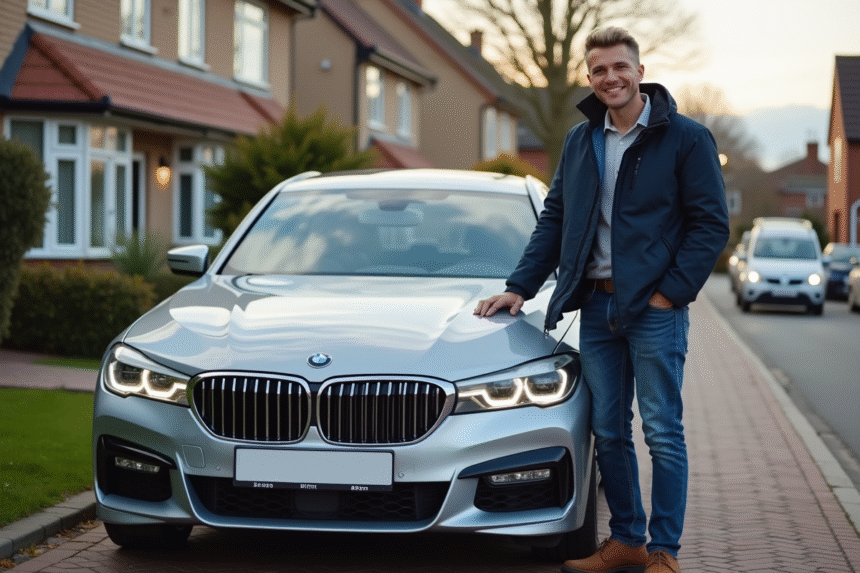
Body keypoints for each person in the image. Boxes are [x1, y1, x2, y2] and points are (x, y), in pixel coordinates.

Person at [474, 27, 729, 573]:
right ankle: (627, 540)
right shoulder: (580, 140)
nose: (610, 78)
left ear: (640, 71)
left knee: (662, 430)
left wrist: (670, 294)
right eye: (598, 70)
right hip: (596, 306)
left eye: (619, 67)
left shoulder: (686, 138)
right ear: (589, 78)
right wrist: (519, 286)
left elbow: (710, 225)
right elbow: (557, 218)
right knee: (607, 430)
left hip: (655, 310)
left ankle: (664, 552)